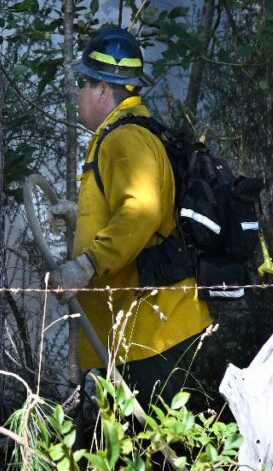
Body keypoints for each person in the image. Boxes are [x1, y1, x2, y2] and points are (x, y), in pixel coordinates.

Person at [48, 26, 213, 409]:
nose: (76, 92)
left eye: (83, 83)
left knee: (153, 441)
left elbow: (141, 212)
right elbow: (135, 209)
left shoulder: (123, 139)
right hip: (143, 331)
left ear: (103, 90)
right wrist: (82, 217)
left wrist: (86, 266)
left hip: (150, 334)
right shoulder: (131, 133)